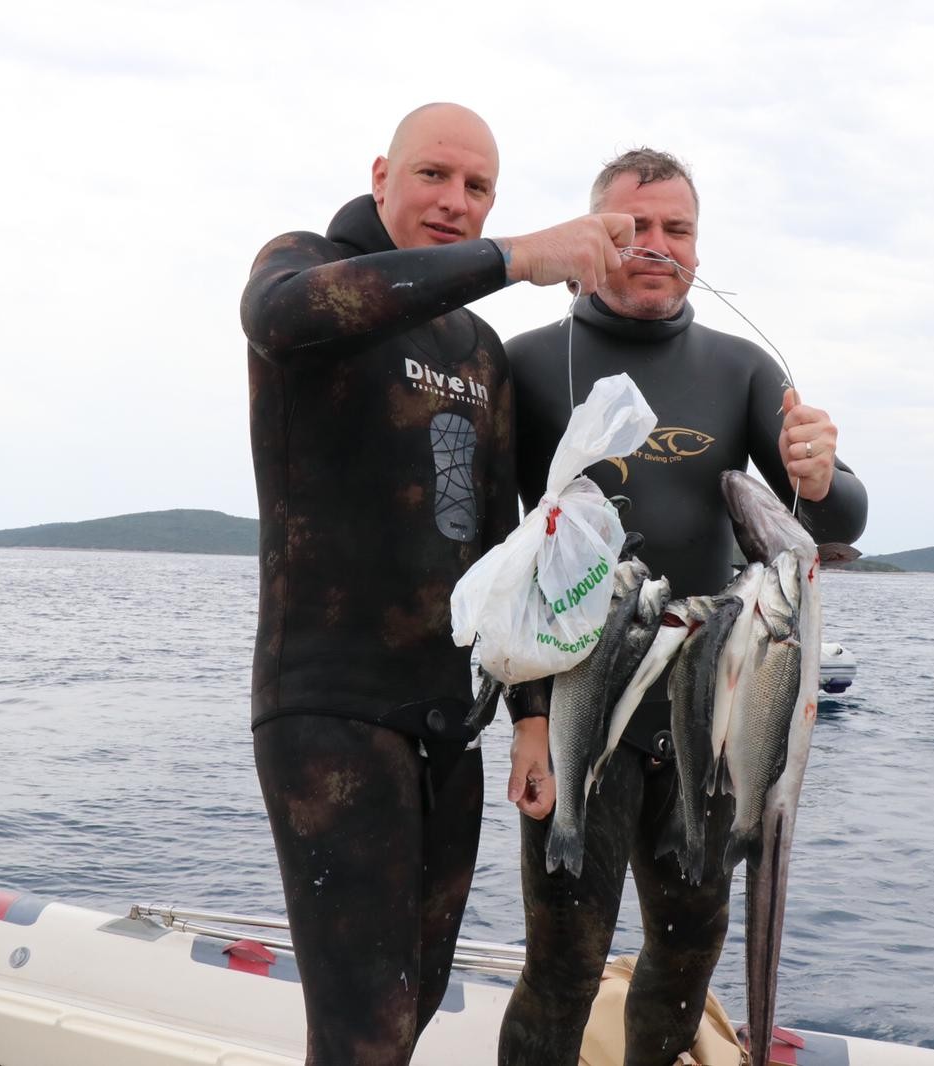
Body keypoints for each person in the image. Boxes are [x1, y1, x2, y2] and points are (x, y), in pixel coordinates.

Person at [237, 102, 631, 1066]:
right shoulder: (303, 267)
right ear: (381, 177)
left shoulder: (477, 349)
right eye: (433, 176)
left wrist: (529, 716)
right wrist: (517, 257)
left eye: (478, 187)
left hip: (448, 719)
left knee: (411, 1008)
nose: (456, 201)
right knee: (363, 1033)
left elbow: (500, 545)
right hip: (332, 707)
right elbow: (281, 317)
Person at [498, 148, 869, 1066]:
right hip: (579, 708)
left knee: (686, 958)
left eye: (678, 229)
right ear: (593, 236)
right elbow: (489, 561)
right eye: (633, 227)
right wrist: (527, 719)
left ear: (699, 247)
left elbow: (837, 520)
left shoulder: (742, 371)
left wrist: (822, 473)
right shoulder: (529, 364)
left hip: (710, 712)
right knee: (563, 967)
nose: (657, 245)